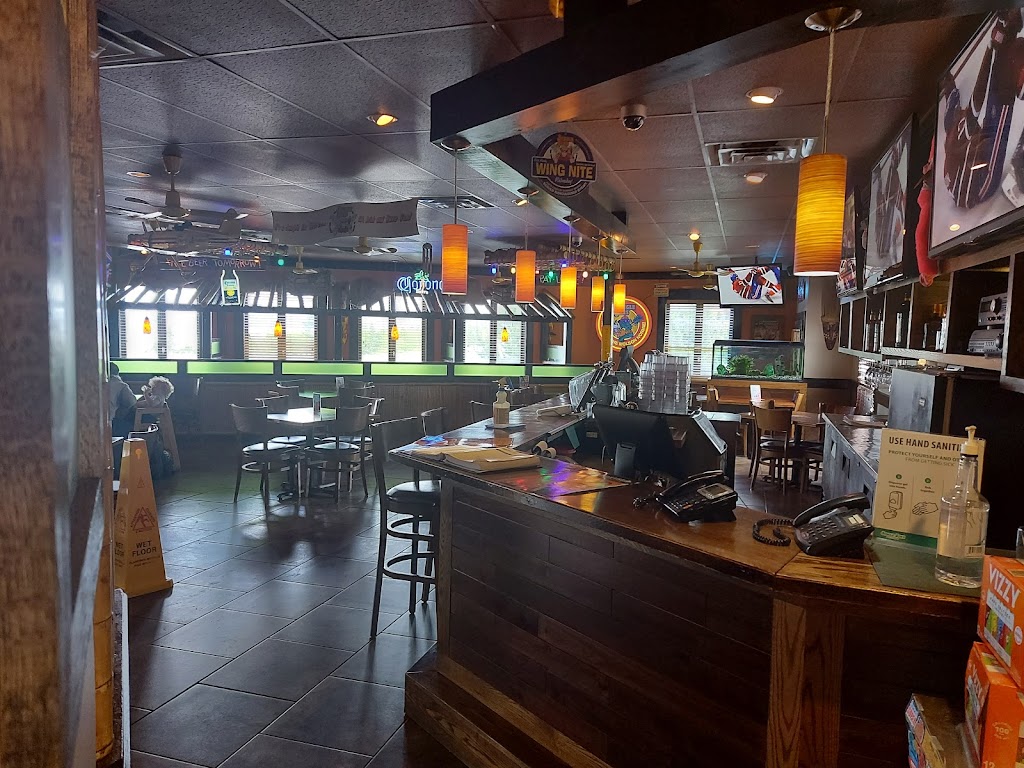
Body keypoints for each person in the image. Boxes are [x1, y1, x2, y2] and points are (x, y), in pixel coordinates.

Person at [109, 362, 137, 438]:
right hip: (110, 424)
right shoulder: (120, 384)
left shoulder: (95, 383)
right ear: (117, 373)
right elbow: (132, 402)